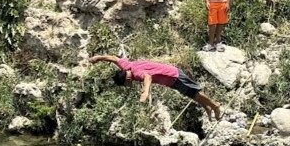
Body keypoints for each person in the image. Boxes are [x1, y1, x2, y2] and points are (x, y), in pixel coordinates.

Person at [88, 55, 222, 120]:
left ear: (127, 79)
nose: (127, 86)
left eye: (126, 84)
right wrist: (98, 58)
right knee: (191, 95)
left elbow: (148, 77)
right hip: (170, 80)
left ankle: (215, 105)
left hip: (173, 75)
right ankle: (207, 107)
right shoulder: (126, 67)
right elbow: (113, 58)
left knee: (195, 92)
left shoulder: (136, 74)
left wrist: (145, 93)